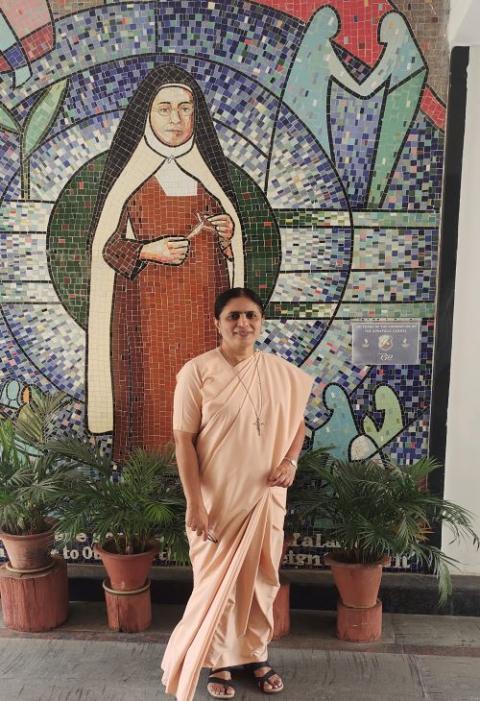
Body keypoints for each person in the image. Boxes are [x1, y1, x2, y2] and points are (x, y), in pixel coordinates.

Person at [161, 287, 313, 701]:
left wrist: (291, 462)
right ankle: (220, 661)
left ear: (261, 322)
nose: (242, 324)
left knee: (263, 579)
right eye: (233, 316)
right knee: (216, 585)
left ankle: (255, 654)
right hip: (217, 501)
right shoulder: (197, 372)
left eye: (250, 316)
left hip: (266, 497)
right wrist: (194, 502)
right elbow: (182, 441)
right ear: (217, 323)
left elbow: (297, 425)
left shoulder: (282, 373)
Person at [87, 65, 244, 463]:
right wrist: (146, 251)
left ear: (197, 115)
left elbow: (235, 253)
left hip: (203, 316)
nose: (176, 119)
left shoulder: (208, 178)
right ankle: (151, 483)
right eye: (165, 108)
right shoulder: (130, 179)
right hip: (147, 315)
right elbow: (106, 247)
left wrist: (227, 235)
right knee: (155, 396)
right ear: (147, 115)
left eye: (185, 108)